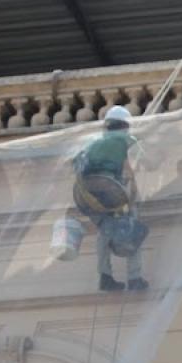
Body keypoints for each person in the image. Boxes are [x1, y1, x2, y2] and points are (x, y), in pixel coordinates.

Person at [72, 105, 149, 292]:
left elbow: (76, 163)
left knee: (104, 231)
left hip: (87, 193)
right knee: (132, 228)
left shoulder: (92, 141)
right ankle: (135, 277)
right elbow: (130, 166)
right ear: (126, 125)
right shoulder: (126, 140)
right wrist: (132, 194)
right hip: (112, 189)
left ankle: (105, 276)